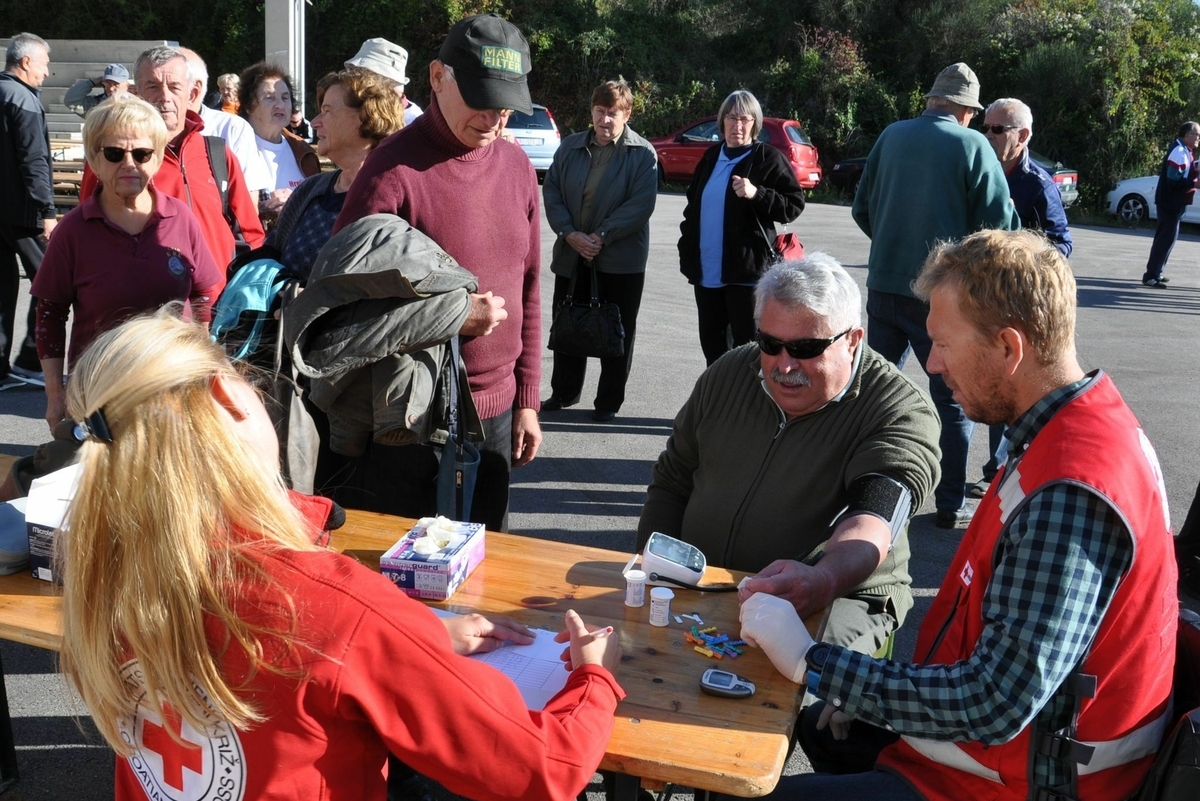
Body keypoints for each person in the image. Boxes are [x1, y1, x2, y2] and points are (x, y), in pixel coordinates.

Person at [56, 311, 625, 801]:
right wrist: (595, 676)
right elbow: (543, 769)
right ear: (226, 396)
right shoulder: (332, 605)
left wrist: (408, 635)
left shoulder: (103, 569)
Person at [740, 229, 1177, 801]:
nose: (932, 363)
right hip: (995, 760)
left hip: (1011, 784)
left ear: (1008, 349)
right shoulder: (1071, 427)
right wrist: (867, 695)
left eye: (944, 344)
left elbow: (994, 702)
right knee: (812, 727)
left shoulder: (1071, 490)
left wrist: (811, 660)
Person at [637, 254, 940, 657]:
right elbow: (673, 479)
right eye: (770, 343)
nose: (784, 365)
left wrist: (824, 580)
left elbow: (875, 517)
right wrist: (651, 569)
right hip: (703, 581)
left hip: (839, 595)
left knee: (804, 695)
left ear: (853, 340)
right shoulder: (730, 372)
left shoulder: (899, 409)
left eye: (806, 348)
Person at [333, 13, 543, 533]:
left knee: (488, 572)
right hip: (405, 423)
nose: (494, 118)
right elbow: (339, 311)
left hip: (495, 417)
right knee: (403, 582)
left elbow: (532, 288)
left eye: (506, 106)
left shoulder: (517, 168)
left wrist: (527, 400)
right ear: (436, 77)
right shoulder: (390, 172)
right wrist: (451, 315)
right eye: (481, 99)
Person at [852, 62, 1018, 529]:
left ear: (930, 101)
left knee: (870, 392)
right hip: (941, 300)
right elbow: (1001, 229)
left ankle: (858, 490)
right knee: (952, 400)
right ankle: (948, 504)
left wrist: (890, 243)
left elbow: (862, 209)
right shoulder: (972, 145)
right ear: (967, 110)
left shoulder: (891, 136)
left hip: (884, 287)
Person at [30, 94, 223, 430]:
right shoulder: (73, 231)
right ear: (94, 158)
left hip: (173, 390)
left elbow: (204, 295)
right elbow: (49, 313)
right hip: (99, 396)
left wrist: (203, 367)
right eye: (115, 153)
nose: (129, 164)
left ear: (158, 156)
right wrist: (54, 395)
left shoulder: (181, 218)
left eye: (142, 153)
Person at [79, 46, 265, 270]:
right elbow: (87, 232)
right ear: (137, 94)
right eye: (153, 87)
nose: (165, 97)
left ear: (192, 94)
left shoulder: (217, 153)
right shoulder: (112, 156)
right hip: (145, 300)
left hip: (217, 297)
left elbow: (250, 232)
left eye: (175, 87)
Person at [972, 96, 1073, 500]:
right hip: (980, 294)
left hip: (1014, 302)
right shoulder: (979, 167)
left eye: (998, 129)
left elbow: (1061, 244)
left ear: (1022, 136)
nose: (988, 135)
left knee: (1007, 384)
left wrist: (1021, 257)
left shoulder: (1038, 182)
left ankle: (999, 470)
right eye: (986, 128)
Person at [541, 80, 658, 422]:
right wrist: (570, 233)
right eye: (599, 112)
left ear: (627, 114)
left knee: (617, 331)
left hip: (621, 261)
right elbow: (553, 193)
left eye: (613, 113)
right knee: (567, 323)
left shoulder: (642, 153)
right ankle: (563, 392)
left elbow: (640, 205)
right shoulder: (570, 148)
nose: (605, 120)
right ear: (591, 111)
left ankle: (608, 401)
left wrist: (601, 236)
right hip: (572, 253)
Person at [678, 89, 805, 366]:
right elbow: (692, 209)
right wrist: (686, 248)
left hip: (747, 275)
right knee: (712, 346)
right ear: (722, 121)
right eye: (732, 118)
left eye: (745, 119)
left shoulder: (766, 158)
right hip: (707, 272)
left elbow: (793, 204)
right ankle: (719, 403)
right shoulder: (711, 157)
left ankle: (747, 406)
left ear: (755, 124)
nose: (738, 126)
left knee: (748, 350)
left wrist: (756, 194)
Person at [266, 68, 403, 282]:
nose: (315, 122)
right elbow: (271, 252)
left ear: (366, 117)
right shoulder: (310, 190)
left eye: (327, 111)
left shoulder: (399, 198)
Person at [1, 33, 56, 391]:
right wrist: (48, 210)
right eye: (44, 63)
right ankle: (31, 359)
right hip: (23, 211)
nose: (48, 73)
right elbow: (34, 160)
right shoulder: (23, 98)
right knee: (52, 281)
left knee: (2, 289)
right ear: (25, 63)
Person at [179, 48, 272, 201]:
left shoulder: (240, 120)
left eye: (228, 89)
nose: (226, 93)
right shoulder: (217, 109)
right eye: (222, 90)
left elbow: (249, 195)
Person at [238, 62, 320, 221]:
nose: (280, 105)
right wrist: (263, 206)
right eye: (269, 98)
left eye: (285, 97)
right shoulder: (234, 148)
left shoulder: (304, 151)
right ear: (249, 106)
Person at [1141, 121, 1200, 288]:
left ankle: (1158, 271)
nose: (1199, 139)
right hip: (1170, 203)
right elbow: (1174, 180)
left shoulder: (1185, 151)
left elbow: (1184, 172)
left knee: (1169, 239)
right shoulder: (1179, 151)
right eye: (1197, 135)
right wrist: (1195, 184)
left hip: (1174, 203)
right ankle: (1150, 275)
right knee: (1164, 239)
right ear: (1188, 135)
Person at [346, 37, 424, 125]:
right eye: (354, 71)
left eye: (362, 73)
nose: (355, 79)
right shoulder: (363, 108)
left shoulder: (415, 123)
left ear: (388, 81)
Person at [63, 62, 131, 118]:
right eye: (107, 83)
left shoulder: (135, 104)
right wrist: (91, 83)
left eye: (116, 84)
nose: (111, 88)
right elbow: (71, 100)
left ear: (126, 85)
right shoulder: (96, 105)